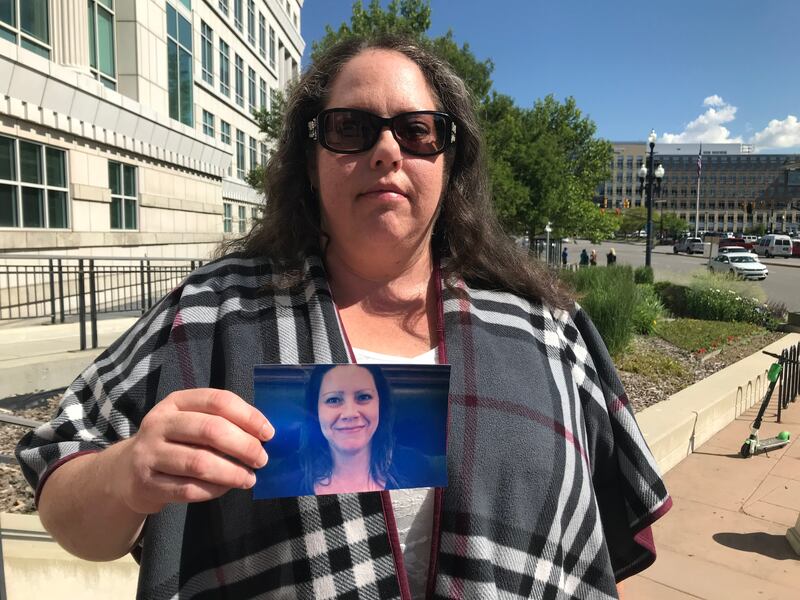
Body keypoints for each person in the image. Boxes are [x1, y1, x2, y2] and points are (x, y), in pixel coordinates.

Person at [17, 34, 669, 599]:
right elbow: (62, 474)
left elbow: (588, 550)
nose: (387, 151)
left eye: (416, 131)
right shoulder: (214, 314)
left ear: (450, 160)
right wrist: (129, 472)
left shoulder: (547, 332)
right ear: (310, 158)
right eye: (351, 128)